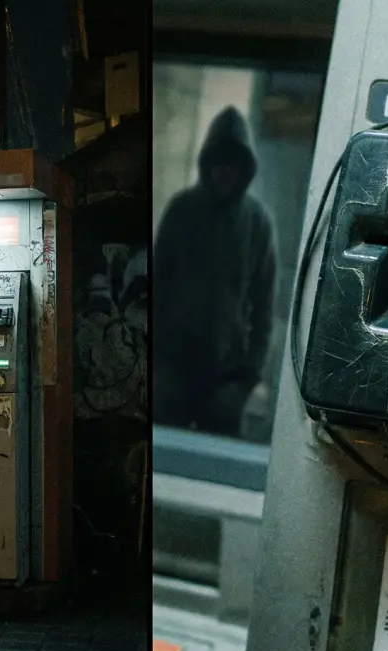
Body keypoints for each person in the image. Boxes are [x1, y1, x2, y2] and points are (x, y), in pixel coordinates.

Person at [153, 106, 277, 438]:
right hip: (173, 371)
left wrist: (246, 379)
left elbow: (264, 307)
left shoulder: (257, 223)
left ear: (243, 169)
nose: (225, 172)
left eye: (232, 164)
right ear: (208, 164)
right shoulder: (181, 211)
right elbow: (156, 287)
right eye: (219, 163)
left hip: (226, 379)